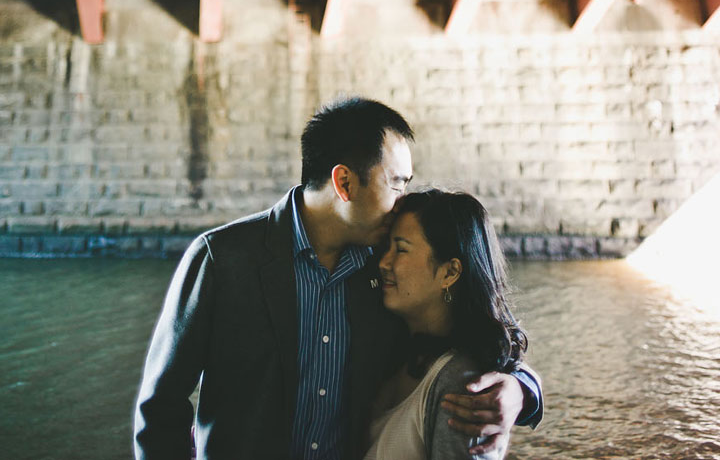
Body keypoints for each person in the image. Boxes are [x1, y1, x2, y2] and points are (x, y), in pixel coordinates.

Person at [134, 97, 542, 460]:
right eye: (397, 184)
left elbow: (478, 327)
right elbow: (161, 407)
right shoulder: (222, 260)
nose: (403, 202)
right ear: (344, 182)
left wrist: (521, 391)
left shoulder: (386, 270)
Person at [363, 190, 528, 460]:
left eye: (401, 249)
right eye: (387, 248)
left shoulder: (463, 387)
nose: (383, 263)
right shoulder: (393, 348)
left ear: (449, 273)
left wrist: (523, 390)